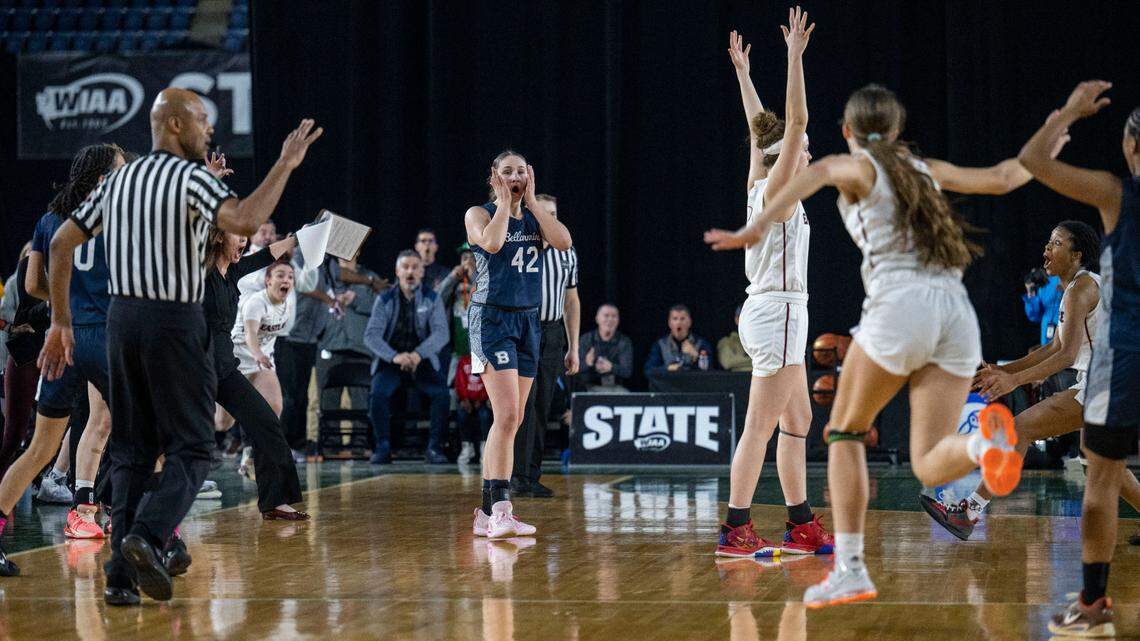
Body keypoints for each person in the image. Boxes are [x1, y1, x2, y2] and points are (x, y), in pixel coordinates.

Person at [706, 83, 1064, 607]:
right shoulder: (924, 170)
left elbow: (818, 170)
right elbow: (1009, 174)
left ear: (849, 133)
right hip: (956, 313)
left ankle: (850, 567)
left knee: (844, 431)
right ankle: (986, 445)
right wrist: (1058, 126)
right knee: (928, 458)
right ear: (897, 131)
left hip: (899, 309)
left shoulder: (857, 168)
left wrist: (750, 228)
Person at [38, 87, 322, 605]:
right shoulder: (189, 178)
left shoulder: (120, 180)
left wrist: (61, 321)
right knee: (193, 447)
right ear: (173, 124)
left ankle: (120, 580)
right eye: (201, 122)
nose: (208, 132)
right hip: (174, 322)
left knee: (131, 450)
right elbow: (242, 222)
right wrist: (284, 163)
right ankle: (147, 535)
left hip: (121, 321)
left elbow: (60, 244)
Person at [921, 221, 1140, 543]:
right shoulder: (1080, 286)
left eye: (1056, 244)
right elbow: (1053, 347)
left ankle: (968, 512)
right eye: (1049, 243)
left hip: (1108, 382)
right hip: (1111, 380)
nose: (1046, 251)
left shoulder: (1081, 289)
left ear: (1077, 254)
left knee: (1021, 428)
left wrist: (1015, 380)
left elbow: (1065, 356)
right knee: (1098, 461)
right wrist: (1006, 370)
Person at [706, 14, 832, 560]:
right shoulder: (779, 187)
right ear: (788, 158)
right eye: (801, 150)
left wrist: (743, 74)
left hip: (779, 311)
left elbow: (763, 127)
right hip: (777, 311)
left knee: (798, 421)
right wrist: (795, 56)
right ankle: (736, 527)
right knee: (760, 426)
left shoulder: (763, 180)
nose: (807, 152)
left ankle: (800, 522)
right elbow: (793, 123)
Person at [1018, 82, 1140, 638]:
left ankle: (1092, 602)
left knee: (1100, 477)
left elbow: (1031, 160)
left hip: (1126, 357)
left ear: (1130, 146)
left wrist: (1067, 111)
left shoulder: (1119, 194)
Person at [0, 146, 125, 572]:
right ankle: (156, 532)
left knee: (38, 449)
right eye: (121, 168)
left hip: (63, 338)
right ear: (103, 177)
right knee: (144, 433)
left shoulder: (50, 220)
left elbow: (32, 283)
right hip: (106, 337)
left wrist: (64, 304)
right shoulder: (119, 219)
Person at [464, 150, 572, 539]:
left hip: (529, 319)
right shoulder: (478, 214)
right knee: (507, 415)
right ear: (494, 176)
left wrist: (531, 204)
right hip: (492, 318)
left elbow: (564, 242)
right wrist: (505, 204)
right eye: (506, 171)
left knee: (513, 419)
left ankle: (487, 512)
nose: (514, 176)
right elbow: (491, 244)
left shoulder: (534, 216)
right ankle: (500, 508)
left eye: (520, 171)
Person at [203, 225, 308, 522]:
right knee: (163, 437)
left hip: (225, 368)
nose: (244, 244)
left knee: (266, 423)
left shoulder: (234, 271)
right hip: (194, 368)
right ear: (218, 237)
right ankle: (106, 498)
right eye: (238, 237)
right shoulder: (199, 269)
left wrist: (298, 238)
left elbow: (267, 255)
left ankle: (276, 500)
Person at [512, 193, 580, 499]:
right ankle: (511, 476)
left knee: (542, 404)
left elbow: (571, 300)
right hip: (523, 327)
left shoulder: (567, 252)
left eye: (553, 213)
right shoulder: (522, 246)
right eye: (543, 212)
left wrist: (573, 346)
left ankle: (530, 475)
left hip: (552, 332)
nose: (548, 218)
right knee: (519, 405)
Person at [363, 250, 451, 464]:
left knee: (442, 394)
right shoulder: (384, 299)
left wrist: (418, 355)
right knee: (378, 394)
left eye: (415, 267)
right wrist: (394, 357)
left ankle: (434, 447)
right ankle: (383, 446)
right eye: (406, 267)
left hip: (422, 360)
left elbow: (442, 333)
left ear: (422, 271)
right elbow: (371, 335)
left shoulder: (433, 297)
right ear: (397, 271)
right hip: (392, 360)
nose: (410, 272)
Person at [229, 261, 297, 476]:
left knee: (274, 407)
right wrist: (258, 353)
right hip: (237, 359)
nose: (286, 279)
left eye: (290, 276)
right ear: (268, 280)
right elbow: (250, 333)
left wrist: (262, 356)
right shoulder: (256, 302)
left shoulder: (288, 303)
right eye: (280, 275)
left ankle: (251, 454)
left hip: (262, 363)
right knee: (222, 422)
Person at [643, 304, 714, 375]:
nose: (679, 322)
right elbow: (649, 370)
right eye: (675, 319)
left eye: (682, 319)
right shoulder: (660, 344)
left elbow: (709, 372)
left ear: (689, 322)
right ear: (669, 323)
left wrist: (696, 355)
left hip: (692, 384)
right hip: (668, 384)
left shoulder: (702, 344)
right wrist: (668, 368)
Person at [578, 303, 633, 392]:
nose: (610, 319)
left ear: (618, 320)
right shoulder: (586, 339)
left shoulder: (624, 342)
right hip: (589, 386)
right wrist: (587, 363)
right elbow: (574, 370)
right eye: (606, 316)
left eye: (614, 316)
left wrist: (612, 367)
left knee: (626, 396)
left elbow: (627, 371)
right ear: (597, 319)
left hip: (615, 388)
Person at [1023, 268, 1063, 346]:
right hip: (1047, 325)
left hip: (1061, 320)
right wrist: (1030, 293)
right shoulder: (1039, 289)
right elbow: (1034, 316)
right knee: (1046, 351)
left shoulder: (1058, 279)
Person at [717, 304, 752, 373]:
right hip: (736, 380)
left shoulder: (763, 341)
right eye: (744, 317)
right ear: (737, 320)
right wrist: (755, 360)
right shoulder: (727, 341)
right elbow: (727, 362)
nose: (748, 320)